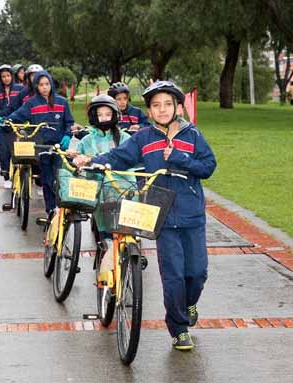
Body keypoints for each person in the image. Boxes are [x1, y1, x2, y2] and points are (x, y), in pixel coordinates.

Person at [73, 81, 217, 351]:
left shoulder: (192, 135)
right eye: (155, 105)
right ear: (149, 111)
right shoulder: (144, 138)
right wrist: (90, 161)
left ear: (177, 106)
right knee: (173, 274)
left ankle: (189, 303)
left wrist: (180, 160)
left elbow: (209, 166)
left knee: (197, 272)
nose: (162, 109)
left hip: (192, 215)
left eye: (167, 104)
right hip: (160, 215)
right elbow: (118, 157)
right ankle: (178, 328)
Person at [0, 70, 74, 213]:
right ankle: (50, 209)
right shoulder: (31, 103)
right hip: (40, 145)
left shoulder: (62, 102)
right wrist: (5, 121)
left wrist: (67, 135)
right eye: (41, 84)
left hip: (58, 146)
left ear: (51, 84)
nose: (44, 87)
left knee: (60, 177)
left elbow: (69, 122)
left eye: (47, 84)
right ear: (36, 86)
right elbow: (18, 115)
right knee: (46, 177)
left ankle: (62, 207)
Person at [67, 95, 134, 240]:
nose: (104, 118)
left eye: (108, 114)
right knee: (105, 236)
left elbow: (133, 158)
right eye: (100, 115)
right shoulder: (87, 140)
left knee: (127, 234)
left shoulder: (125, 138)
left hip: (123, 190)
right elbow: (77, 158)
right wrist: (76, 158)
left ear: (115, 115)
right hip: (99, 194)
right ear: (94, 116)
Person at [0, 64, 24, 188]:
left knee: (20, 150)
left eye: (8, 75)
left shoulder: (20, 89)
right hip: (2, 125)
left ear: (12, 76)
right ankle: (6, 176)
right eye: (3, 76)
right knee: (4, 150)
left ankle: (23, 174)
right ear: (0, 77)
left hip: (18, 124)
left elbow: (24, 105)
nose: (6, 78)